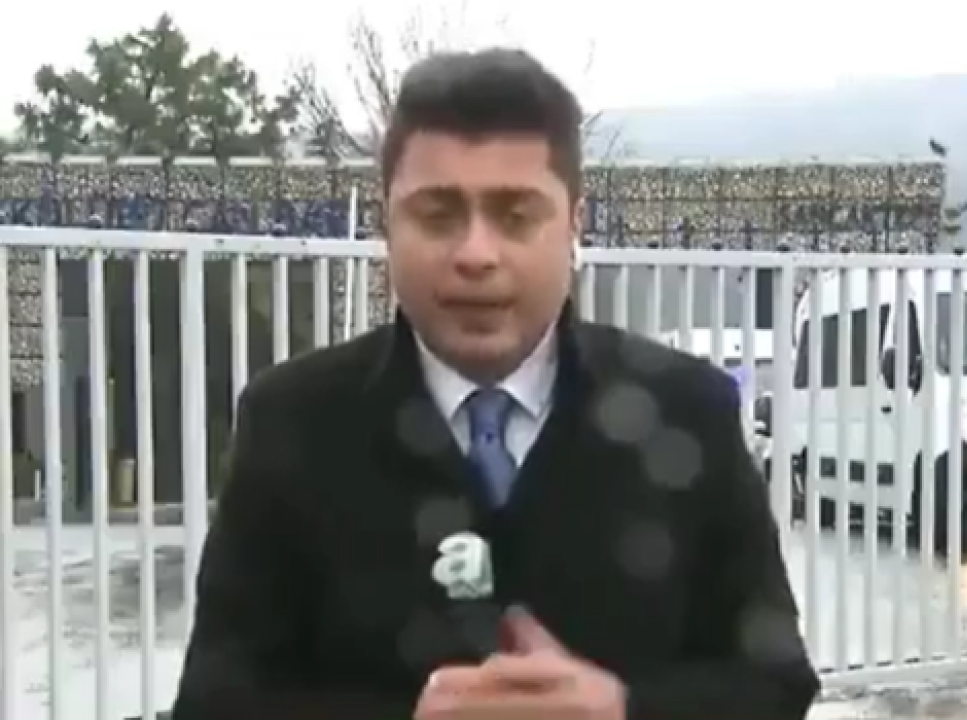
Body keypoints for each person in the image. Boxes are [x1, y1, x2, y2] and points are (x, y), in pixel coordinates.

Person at [171, 48, 818, 720]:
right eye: (437, 214)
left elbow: (776, 682)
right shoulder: (295, 422)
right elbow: (216, 699)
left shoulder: (689, 411)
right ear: (386, 223)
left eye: (516, 216)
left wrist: (623, 710)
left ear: (574, 224)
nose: (476, 254)